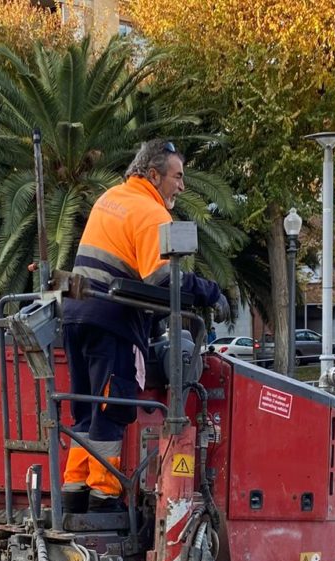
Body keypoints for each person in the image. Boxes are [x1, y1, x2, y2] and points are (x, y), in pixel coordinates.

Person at [63, 139, 230, 513]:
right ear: (153, 175)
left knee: (85, 410)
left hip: (75, 316)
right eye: (177, 176)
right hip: (112, 322)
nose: (182, 186)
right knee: (112, 408)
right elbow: (161, 279)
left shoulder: (112, 198)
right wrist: (209, 292)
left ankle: (74, 488)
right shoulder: (151, 213)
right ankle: (104, 494)